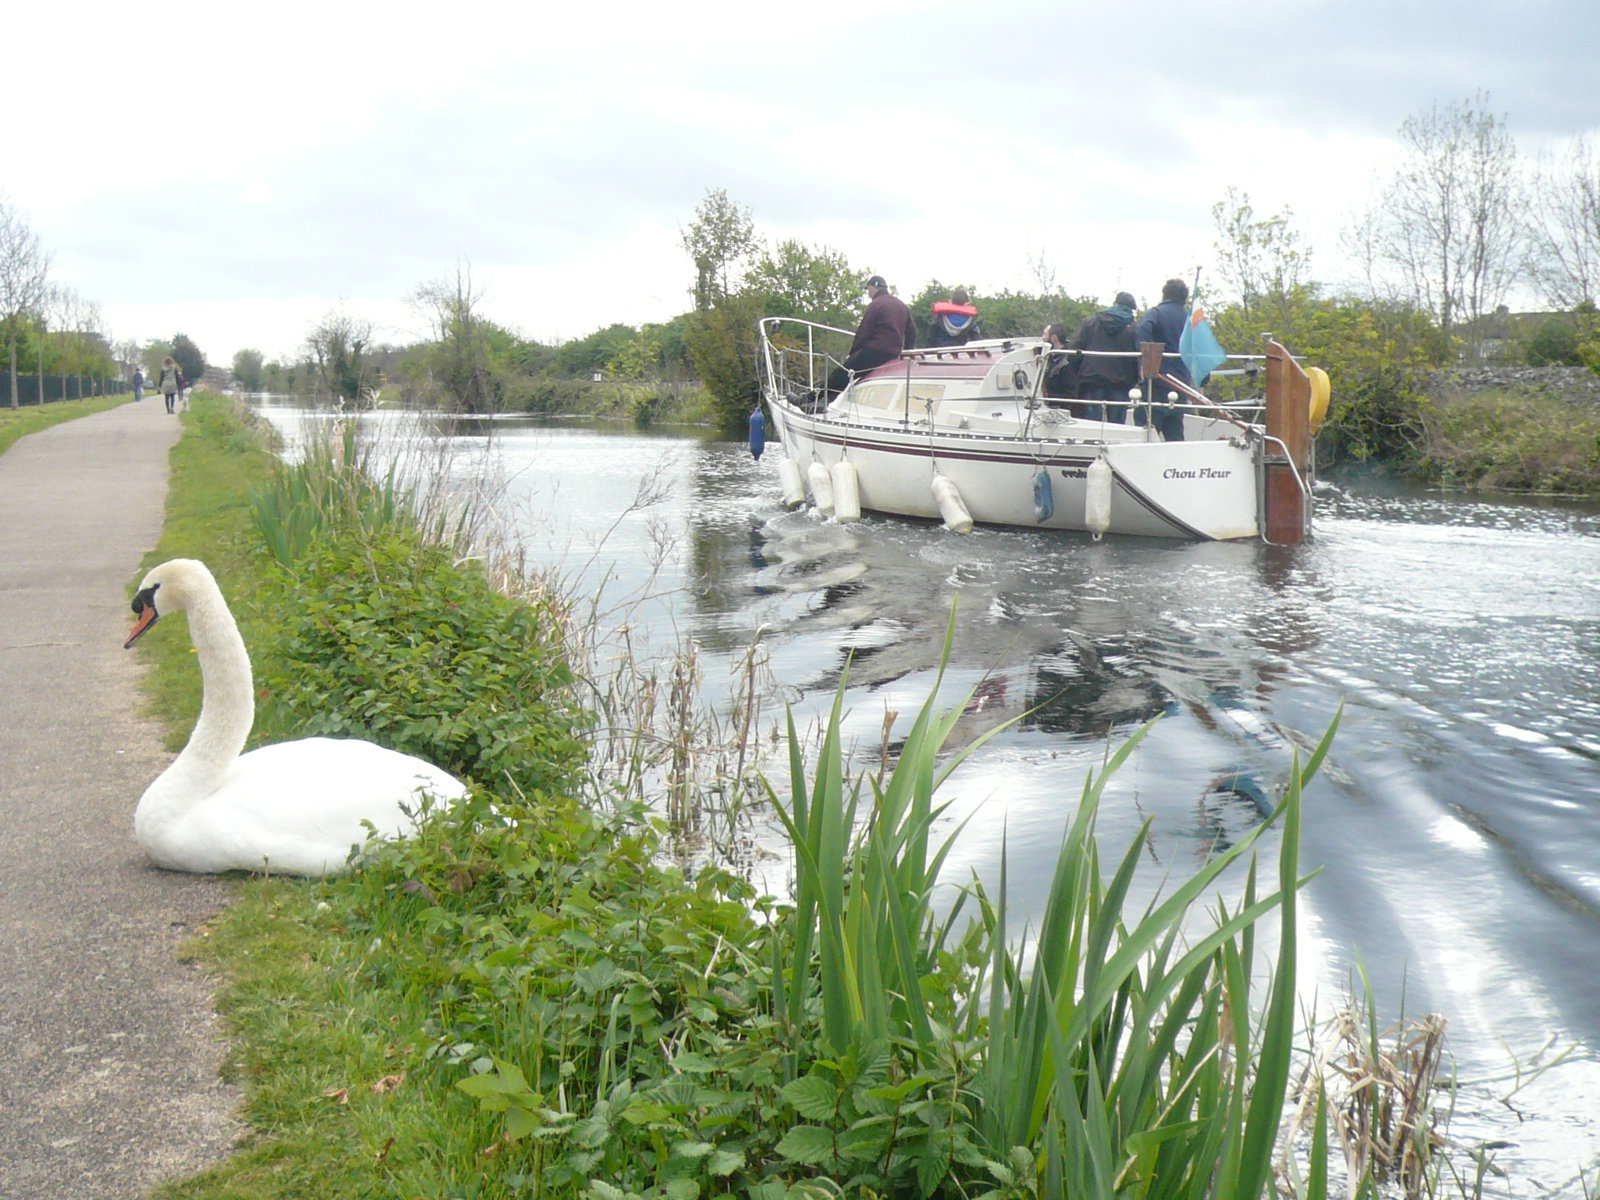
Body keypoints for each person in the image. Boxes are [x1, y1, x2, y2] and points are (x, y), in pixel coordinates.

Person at [824, 275, 916, 401]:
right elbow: (912, 331)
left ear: (874, 288)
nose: (868, 293)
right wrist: (905, 352)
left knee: (841, 373)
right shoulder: (901, 305)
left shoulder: (876, 304)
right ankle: (823, 399)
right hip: (893, 354)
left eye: (868, 289)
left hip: (875, 351)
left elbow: (864, 332)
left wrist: (853, 354)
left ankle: (816, 400)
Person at [1068, 291, 1140, 423]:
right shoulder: (1134, 328)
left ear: (1115, 303)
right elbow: (1138, 358)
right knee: (1117, 426)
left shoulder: (1090, 322)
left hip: (1092, 378)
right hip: (1121, 382)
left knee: (1092, 424)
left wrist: (1078, 374)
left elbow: (1073, 351)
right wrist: (1135, 380)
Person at [1134, 279, 1193, 441]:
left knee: (1146, 432)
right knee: (1175, 433)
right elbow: (1200, 348)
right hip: (1181, 383)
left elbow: (1145, 328)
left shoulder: (1156, 313)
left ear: (1164, 294)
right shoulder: (1190, 320)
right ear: (1184, 297)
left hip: (1157, 381)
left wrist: (1146, 358)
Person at [1040, 324, 1082, 412]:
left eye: (1045, 334)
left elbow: (1071, 395)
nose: (1042, 338)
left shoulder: (1067, 362)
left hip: (1060, 410)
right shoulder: (1051, 357)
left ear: (1054, 338)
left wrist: (1047, 397)